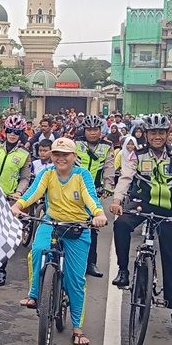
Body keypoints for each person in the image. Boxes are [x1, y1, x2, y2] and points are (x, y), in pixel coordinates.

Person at [13, 138, 107, 345]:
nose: (60, 158)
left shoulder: (82, 175)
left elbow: (90, 198)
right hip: (51, 222)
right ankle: (35, 294)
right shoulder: (47, 174)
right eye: (57, 154)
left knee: (75, 281)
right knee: (37, 250)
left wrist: (98, 214)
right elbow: (33, 192)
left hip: (78, 227)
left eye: (65, 154)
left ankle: (77, 328)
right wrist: (19, 205)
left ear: (74, 157)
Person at [110, 113, 172, 338]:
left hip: (169, 211)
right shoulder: (136, 155)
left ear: (168, 134)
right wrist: (117, 200)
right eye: (153, 133)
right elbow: (126, 178)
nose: (157, 137)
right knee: (120, 225)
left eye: (161, 133)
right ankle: (124, 271)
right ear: (145, 134)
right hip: (142, 205)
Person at [0, 114, 32, 288]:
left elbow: (25, 178)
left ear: (21, 134)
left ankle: (1, 270)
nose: (12, 134)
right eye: (10, 130)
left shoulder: (24, 154)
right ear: (5, 131)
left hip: (8, 198)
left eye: (16, 132)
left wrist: (19, 192)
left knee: (3, 237)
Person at [75, 114, 116, 279]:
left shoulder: (107, 146)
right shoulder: (76, 143)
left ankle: (91, 262)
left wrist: (107, 187)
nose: (92, 133)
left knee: (92, 227)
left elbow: (109, 167)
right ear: (84, 130)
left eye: (95, 130)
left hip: (94, 191)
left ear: (101, 130)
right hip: (74, 188)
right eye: (89, 129)